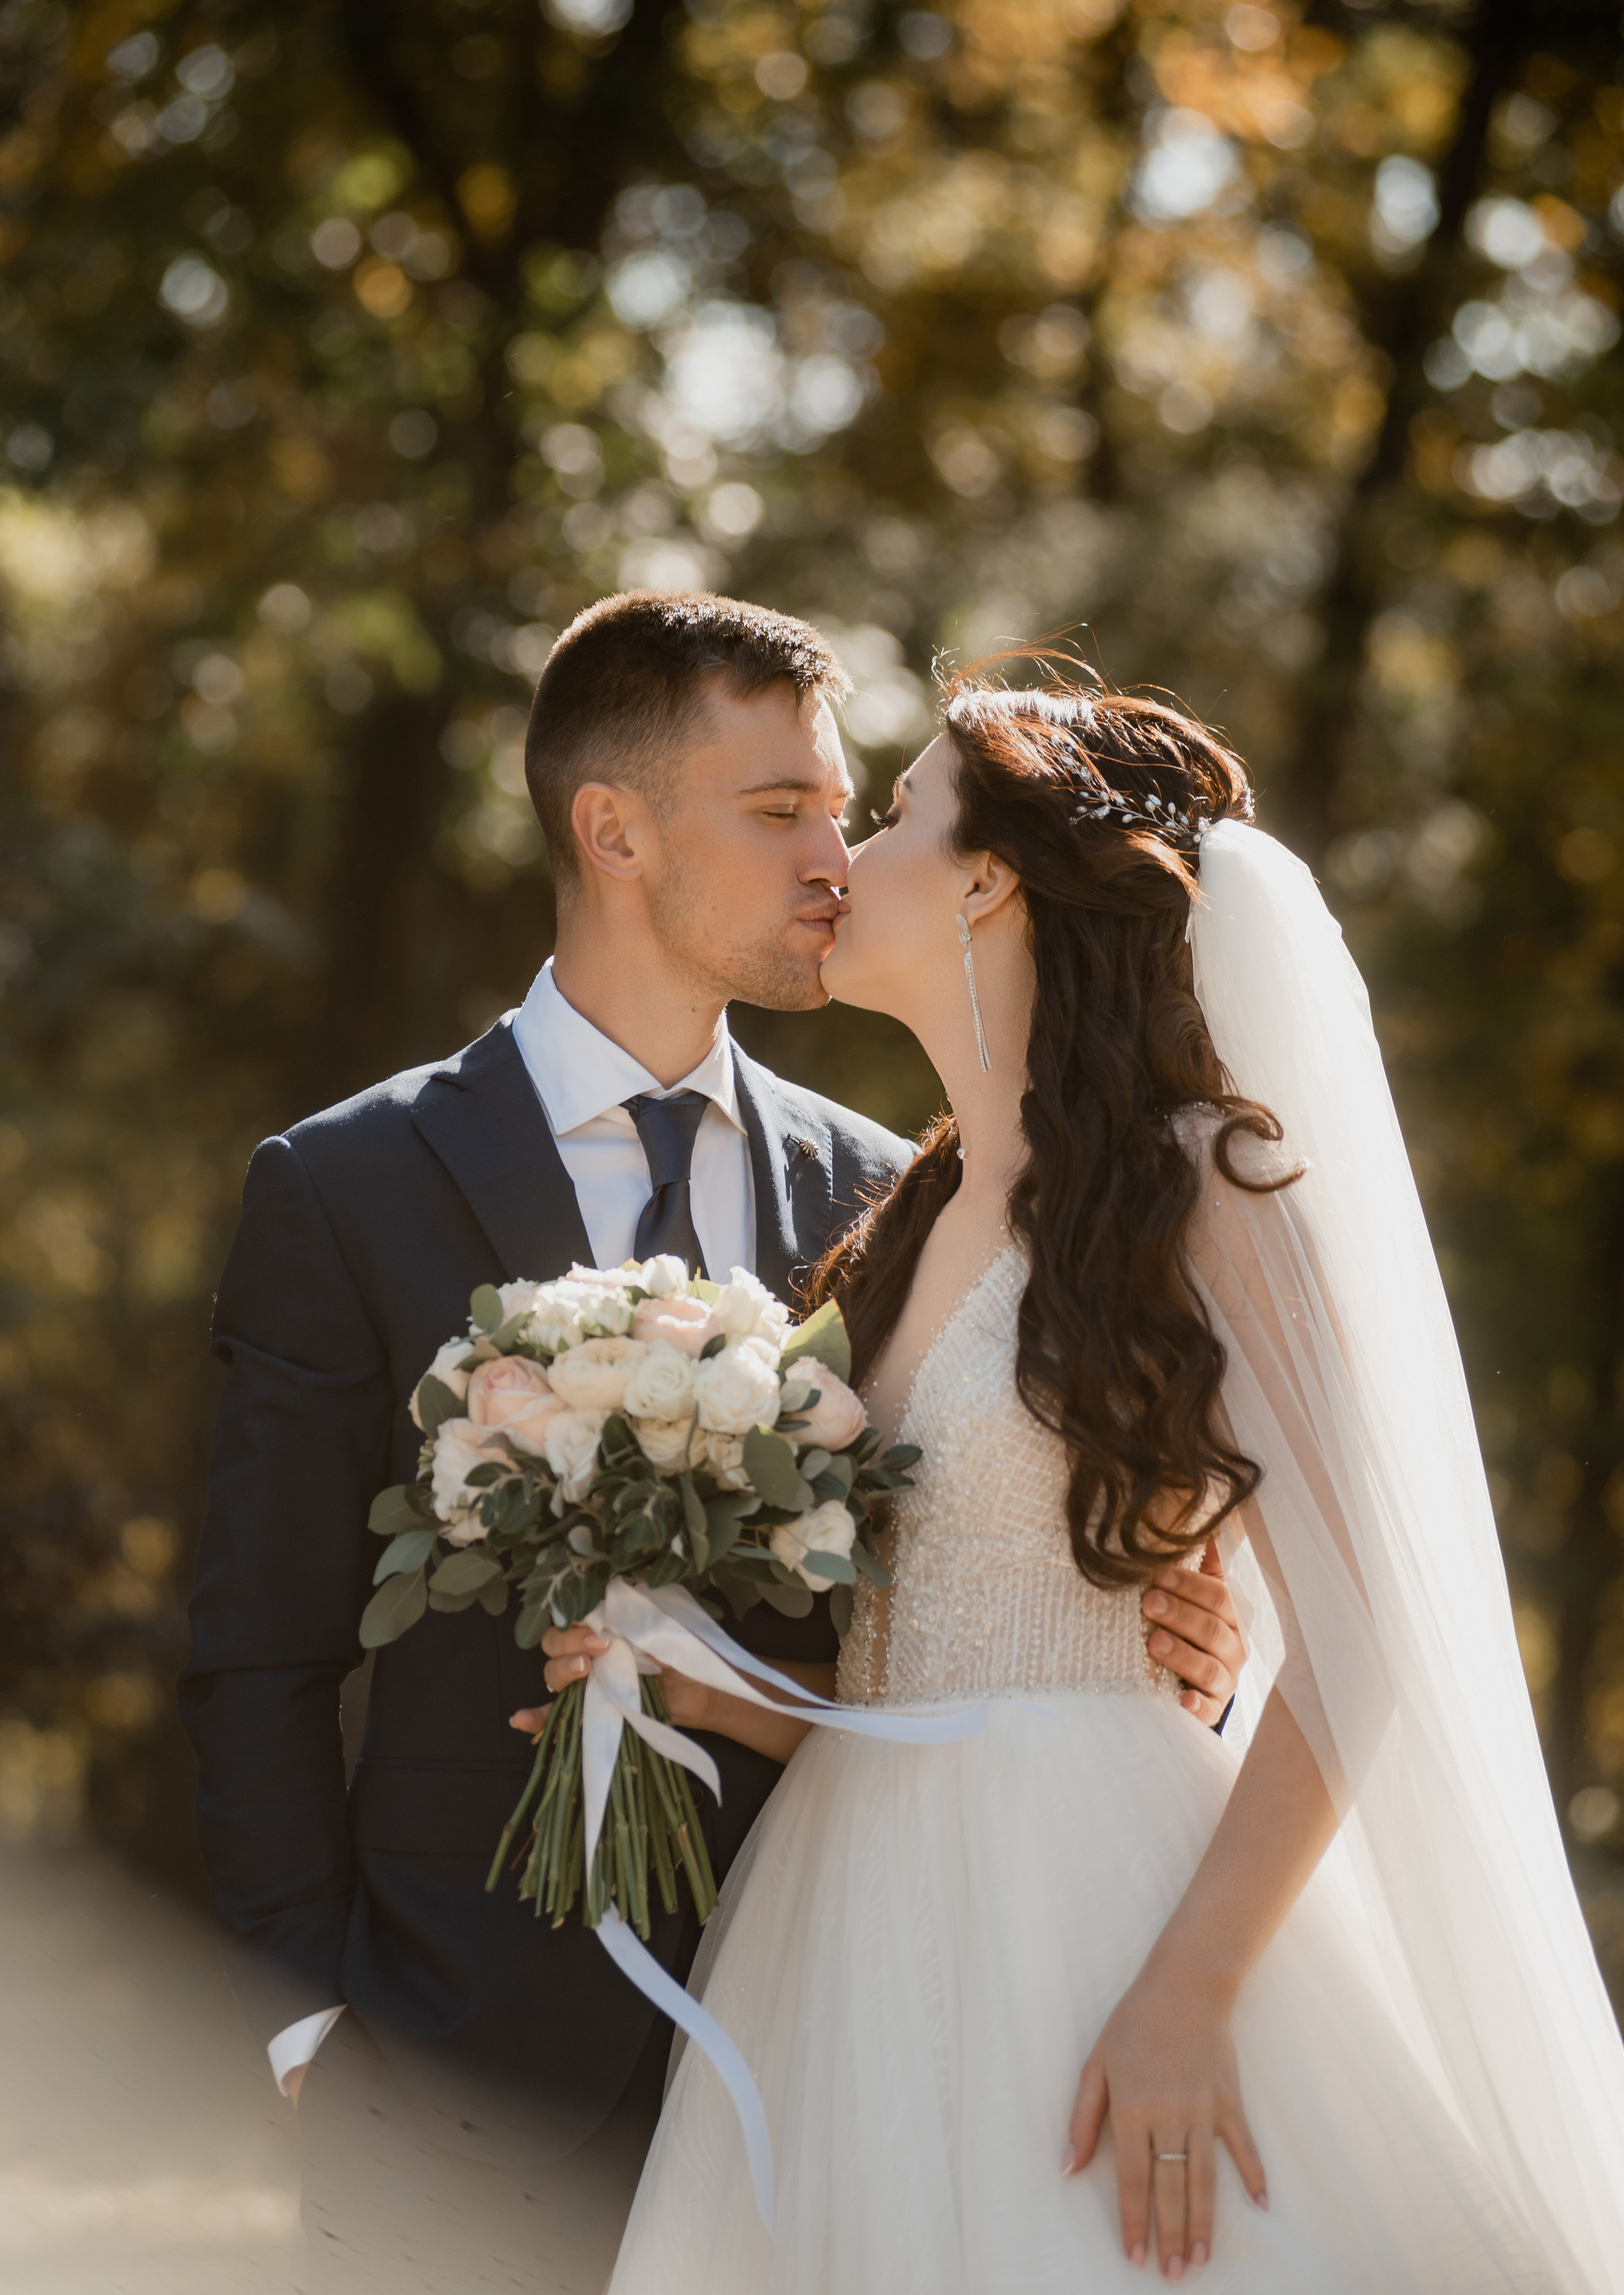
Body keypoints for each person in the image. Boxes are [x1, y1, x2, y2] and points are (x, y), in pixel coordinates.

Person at [178, 597, 1244, 2294]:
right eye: (782, 810)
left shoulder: (897, 1189)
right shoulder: (347, 1185)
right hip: (458, 2069)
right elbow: (256, 1643)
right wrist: (309, 2015)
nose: (834, 851)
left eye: (847, 807)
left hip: (858, 2032)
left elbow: (989, 1551)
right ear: (613, 828)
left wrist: (1173, 1632)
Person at [599, 672, 1624, 2294]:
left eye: (892, 816)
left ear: (992, 875)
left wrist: (1187, 1991)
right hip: (843, 1921)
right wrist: (714, 1691)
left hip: (1100, 1913)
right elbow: (924, 1650)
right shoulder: (910, 1207)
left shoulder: (1207, 1183)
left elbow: (1361, 1643)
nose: (848, 856)